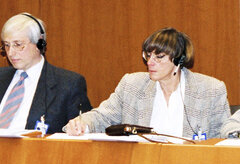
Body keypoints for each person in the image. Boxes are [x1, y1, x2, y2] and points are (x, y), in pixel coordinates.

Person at [64, 27, 229, 139]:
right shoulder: (132, 85)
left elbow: (223, 136)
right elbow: (102, 116)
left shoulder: (210, 90)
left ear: (179, 60)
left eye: (159, 57)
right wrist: (82, 124)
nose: (150, 62)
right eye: (148, 55)